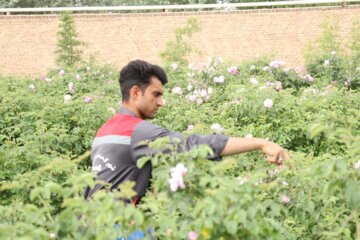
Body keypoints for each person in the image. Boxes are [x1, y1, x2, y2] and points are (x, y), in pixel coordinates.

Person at [84, 60, 290, 204]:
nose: (161, 102)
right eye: (156, 95)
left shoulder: (105, 129)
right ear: (136, 92)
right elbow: (194, 145)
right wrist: (261, 143)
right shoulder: (137, 131)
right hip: (118, 227)